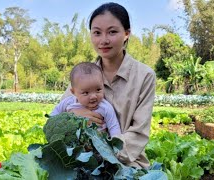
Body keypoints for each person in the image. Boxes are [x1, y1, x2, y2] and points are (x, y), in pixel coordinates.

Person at [61, 2, 156, 168]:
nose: (103, 40)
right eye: (97, 33)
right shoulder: (83, 75)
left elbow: (138, 134)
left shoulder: (144, 76)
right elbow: (58, 118)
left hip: (127, 162)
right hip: (84, 159)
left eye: (112, 32)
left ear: (126, 33)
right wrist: (75, 117)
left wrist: (105, 153)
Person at [50, 62, 121, 138]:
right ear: (73, 92)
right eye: (86, 93)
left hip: (99, 145)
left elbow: (114, 127)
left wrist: (115, 144)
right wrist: (69, 118)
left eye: (98, 90)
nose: (93, 96)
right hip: (74, 145)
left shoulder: (105, 107)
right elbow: (53, 117)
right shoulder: (68, 102)